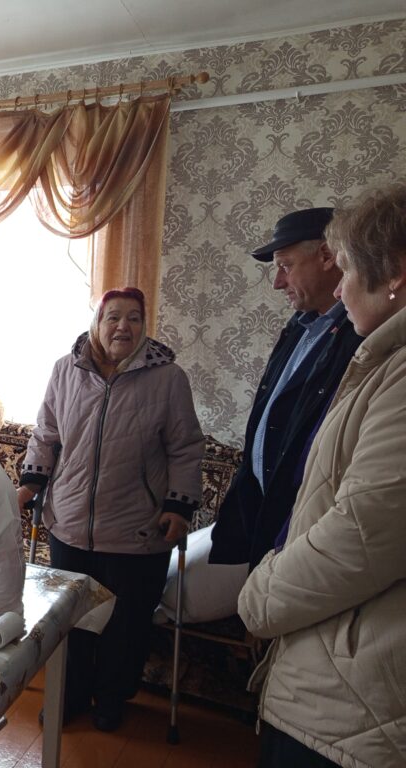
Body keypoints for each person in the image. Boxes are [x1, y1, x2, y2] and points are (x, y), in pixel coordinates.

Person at [239, 185, 406, 767]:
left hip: (355, 694)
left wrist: (261, 591)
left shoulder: (384, 362)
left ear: (395, 273)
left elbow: (362, 531)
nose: (339, 289)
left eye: (348, 269)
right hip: (337, 656)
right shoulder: (377, 354)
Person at [17, 287, 204, 732]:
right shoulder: (65, 370)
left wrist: (179, 506)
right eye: (113, 317)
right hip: (68, 523)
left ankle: (112, 699)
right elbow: (46, 433)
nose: (123, 326)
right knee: (70, 619)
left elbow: (185, 448)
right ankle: (70, 694)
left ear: (144, 326)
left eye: (134, 318)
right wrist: (30, 483)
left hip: (136, 528)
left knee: (126, 625)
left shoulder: (168, 378)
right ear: (97, 323)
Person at [209, 207, 362, 568]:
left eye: (285, 266)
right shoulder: (299, 327)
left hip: (309, 531)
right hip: (269, 520)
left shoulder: (359, 337)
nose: (277, 282)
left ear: (326, 256)